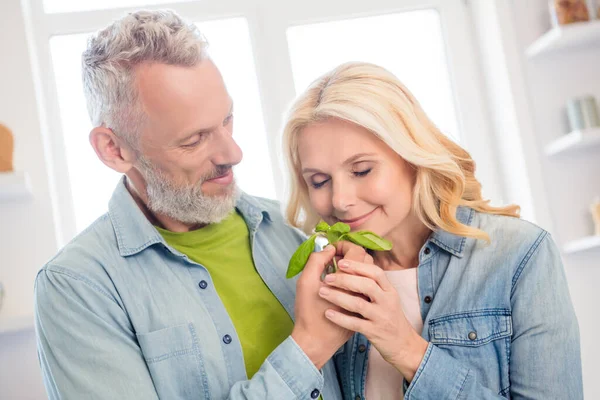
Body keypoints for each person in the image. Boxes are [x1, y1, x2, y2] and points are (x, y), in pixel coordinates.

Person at [34, 10, 352, 399]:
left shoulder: (293, 228)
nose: (233, 152)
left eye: (227, 120)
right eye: (194, 139)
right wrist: (307, 349)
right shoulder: (79, 288)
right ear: (114, 149)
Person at [282, 61, 583, 399]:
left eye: (362, 170)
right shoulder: (327, 278)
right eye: (319, 181)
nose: (340, 200)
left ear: (412, 156)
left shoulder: (519, 255)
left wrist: (406, 348)